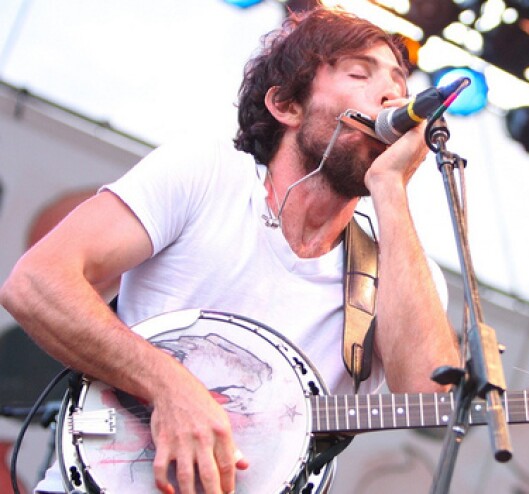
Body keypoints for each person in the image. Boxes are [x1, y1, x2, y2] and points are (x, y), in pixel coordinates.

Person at [0, 6, 460, 494]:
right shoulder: (208, 174)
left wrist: (391, 189)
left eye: (398, 81)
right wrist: (170, 387)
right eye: (359, 74)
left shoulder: (401, 266)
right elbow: (35, 284)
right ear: (286, 105)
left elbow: (429, 394)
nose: (392, 94)